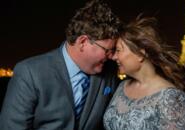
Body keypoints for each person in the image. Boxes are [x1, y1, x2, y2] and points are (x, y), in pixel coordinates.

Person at [0, 0, 122, 129]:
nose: (113, 56)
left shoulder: (109, 72)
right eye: (108, 50)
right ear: (83, 42)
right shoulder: (29, 73)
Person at [103, 16, 185, 130]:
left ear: (140, 54)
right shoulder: (121, 87)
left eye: (118, 50)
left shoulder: (173, 99)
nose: (114, 56)